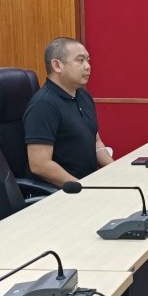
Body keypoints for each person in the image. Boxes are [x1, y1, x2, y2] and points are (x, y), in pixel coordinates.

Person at [23, 37, 113, 186]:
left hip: (88, 184)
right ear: (57, 65)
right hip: (63, 191)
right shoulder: (43, 105)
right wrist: (83, 188)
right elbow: (40, 165)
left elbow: (96, 142)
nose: (88, 66)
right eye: (80, 60)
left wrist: (114, 169)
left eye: (88, 60)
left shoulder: (83, 96)